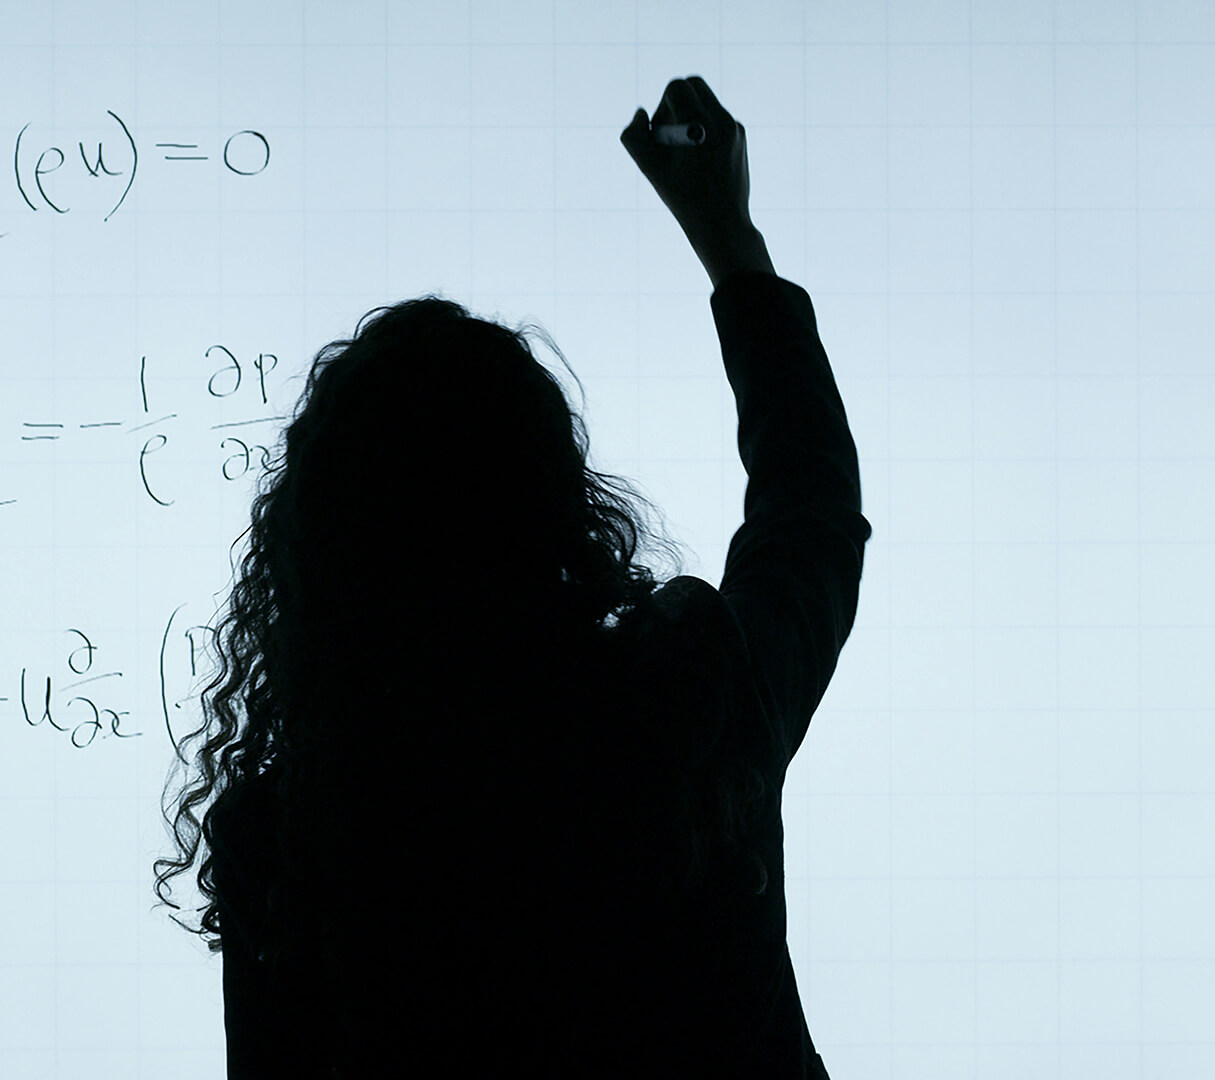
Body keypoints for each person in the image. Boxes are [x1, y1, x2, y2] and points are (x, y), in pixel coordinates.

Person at [154, 75, 872, 1079]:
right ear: (560, 511)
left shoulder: (290, 844)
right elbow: (811, 517)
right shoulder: (686, 708)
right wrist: (728, 239)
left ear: (318, 557)